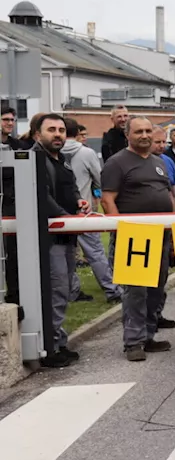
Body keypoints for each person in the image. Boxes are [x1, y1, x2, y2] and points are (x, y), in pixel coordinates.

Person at [102, 117, 175, 361]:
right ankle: (133, 342)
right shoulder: (117, 163)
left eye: (148, 131)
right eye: (139, 132)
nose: (144, 135)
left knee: (157, 288)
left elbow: (169, 195)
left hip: (161, 236)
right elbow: (107, 200)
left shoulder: (160, 162)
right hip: (133, 236)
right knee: (136, 291)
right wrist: (119, 229)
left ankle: (148, 335)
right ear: (128, 135)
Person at [31, 113, 90, 367]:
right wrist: (66, 217)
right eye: (51, 130)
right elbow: (42, 198)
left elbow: (71, 187)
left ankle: (59, 342)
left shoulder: (62, 159)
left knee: (65, 290)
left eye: (61, 130)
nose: (58, 134)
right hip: (51, 238)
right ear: (37, 134)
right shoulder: (35, 160)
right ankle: (51, 348)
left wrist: (79, 201)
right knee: (56, 291)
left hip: (67, 234)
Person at [61, 120, 122, 304]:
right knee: (95, 253)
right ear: (78, 132)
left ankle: (72, 290)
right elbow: (99, 179)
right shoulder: (86, 153)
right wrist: (96, 196)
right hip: (84, 210)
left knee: (67, 254)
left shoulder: (51, 152)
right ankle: (112, 290)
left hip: (59, 212)